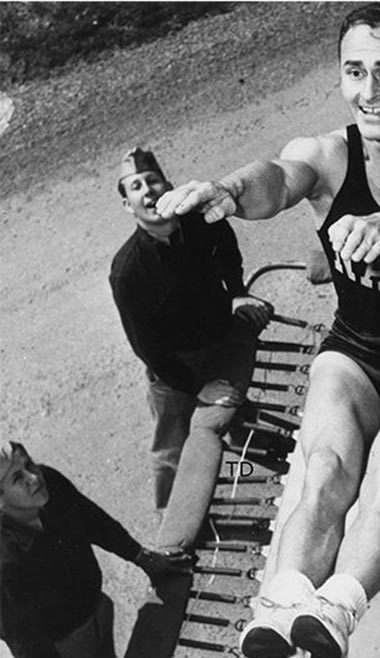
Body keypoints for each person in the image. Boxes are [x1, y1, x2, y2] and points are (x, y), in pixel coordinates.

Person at [154, 2, 380, 658]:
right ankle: (284, 607)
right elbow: (278, 178)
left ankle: (337, 610)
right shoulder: (328, 153)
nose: (369, 92)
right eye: (355, 72)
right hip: (353, 350)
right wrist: (227, 190)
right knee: (325, 472)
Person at [110, 147, 271, 552]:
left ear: (167, 185)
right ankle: (174, 527)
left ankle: (249, 465)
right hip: (174, 369)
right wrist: (194, 386)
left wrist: (236, 293)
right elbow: (146, 347)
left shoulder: (200, 221)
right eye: (135, 186)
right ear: (127, 204)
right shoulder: (128, 270)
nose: (147, 190)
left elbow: (228, 251)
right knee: (171, 446)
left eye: (152, 181)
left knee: (229, 412)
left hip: (217, 339)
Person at [0, 439, 191, 658]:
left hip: (96, 617)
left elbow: (92, 520)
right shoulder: (3, 564)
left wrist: (141, 556)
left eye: (29, 464)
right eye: (17, 479)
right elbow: (33, 654)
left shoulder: (49, 485)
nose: (34, 478)